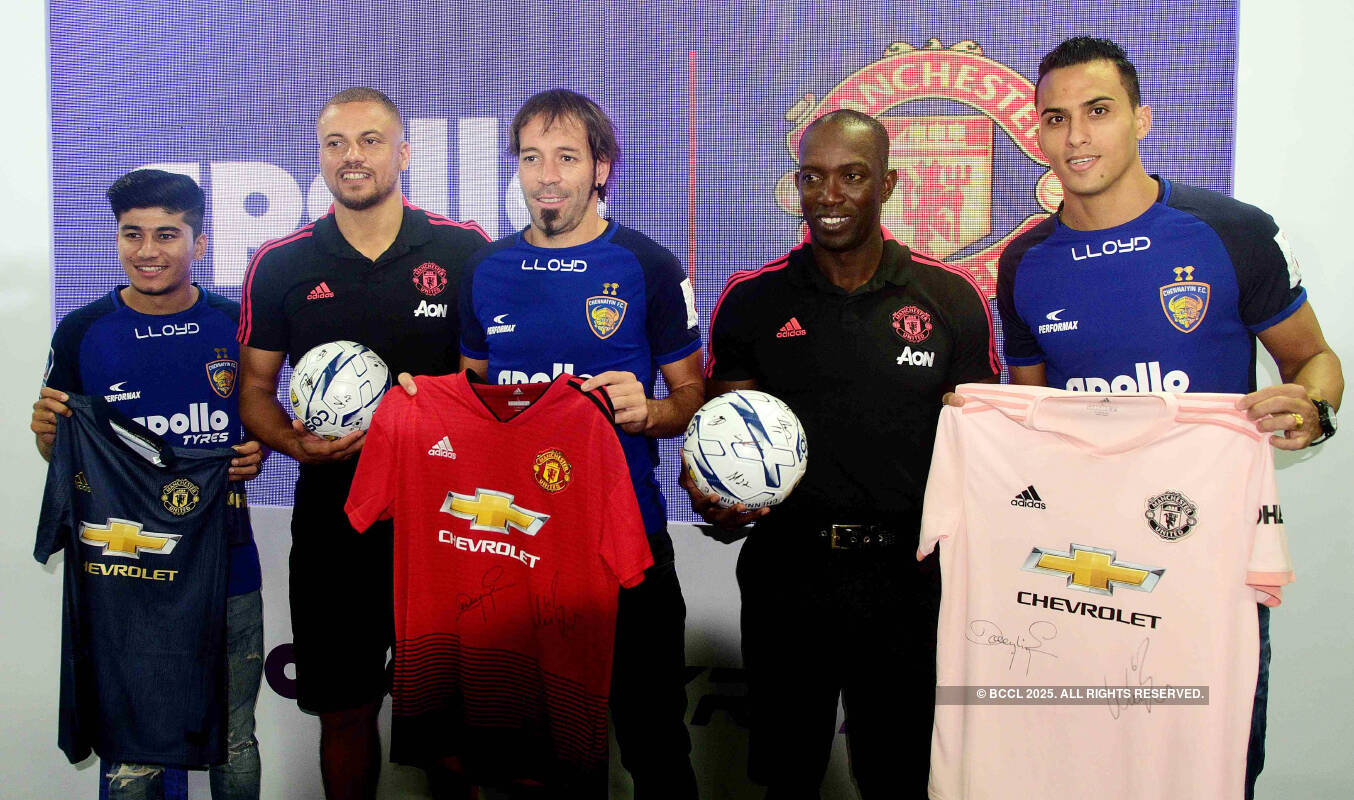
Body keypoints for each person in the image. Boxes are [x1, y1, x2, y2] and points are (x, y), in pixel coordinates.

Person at [994, 36, 1344, 799]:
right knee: (1084, 776)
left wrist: (1313, 410)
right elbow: (1031, 421)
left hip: (1210, 576)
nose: (1077, 137)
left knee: (1211, 776)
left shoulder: (1231, 231)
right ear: (1038, 133)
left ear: (1142, 119)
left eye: (1098, 112)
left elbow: (1316, 362)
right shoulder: (1023, 264)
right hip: (1083, 577)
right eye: (1056, 118)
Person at [684, 109, 999, 798]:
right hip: (787, 577)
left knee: (899, 777)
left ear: (887, 184)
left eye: (851, 176)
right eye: (813, 177)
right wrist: (715, 497)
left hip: (908, 583)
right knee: (788, 776)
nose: (829, 196)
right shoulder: (753, 300)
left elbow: (987, 449)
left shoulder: (948, 300)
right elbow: (717, 441)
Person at [400, 88, 704, 797]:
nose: (547, 176)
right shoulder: (486, 269)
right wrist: (424, 411)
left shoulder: (649, 267)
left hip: (623, 545)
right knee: (529, 759)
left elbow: (693, 399)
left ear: (601, 168)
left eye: (566, 157)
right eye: (532, 158)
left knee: (657, 745)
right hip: (517, 548)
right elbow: (470, 399)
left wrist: (651, 412)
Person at [235, 88, 488, 800]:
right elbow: (254, 388)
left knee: (451, 724)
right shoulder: (281, 262)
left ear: (403, 152)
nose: (353, 157)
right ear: (320, 157)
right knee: (344, 714)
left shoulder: (462, 248)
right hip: (334, 523)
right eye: (336, 143)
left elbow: (492, 383)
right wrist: (293, 442)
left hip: (443, 520)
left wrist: (443, 416)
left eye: (371, 140)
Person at [30, 168, 266, 799]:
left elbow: (267, 420)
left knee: (234, 738)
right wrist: (48, 433)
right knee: (130, 745)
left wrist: (256, 450)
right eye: (132, 234)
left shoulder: (237, 324)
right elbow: (59, 446)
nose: (147, 250)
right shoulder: (82, 331)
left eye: (167, 234)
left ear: (202, 242)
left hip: (227, 559)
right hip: (127, 571)